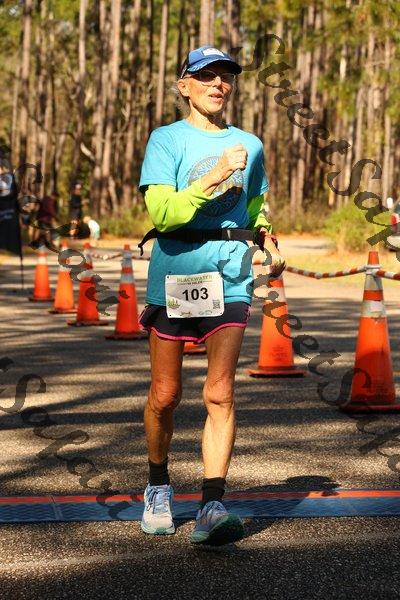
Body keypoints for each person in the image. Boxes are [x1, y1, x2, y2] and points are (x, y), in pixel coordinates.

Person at [137, 45, 285, 546]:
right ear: (184, 86)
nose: (218, 84)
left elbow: (256, 206)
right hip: (176, 274)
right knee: (165, 396)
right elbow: (164, 214)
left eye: (226, 77)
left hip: (230, 276)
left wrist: (267, 239)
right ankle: (158, 486)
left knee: (220, 393)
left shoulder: (251, 144)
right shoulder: (166, 140)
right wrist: (216, 174)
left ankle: (211, 505)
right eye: (206, 76)